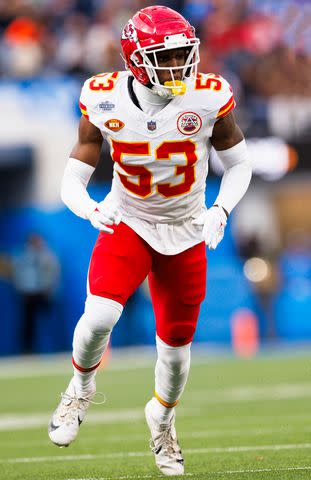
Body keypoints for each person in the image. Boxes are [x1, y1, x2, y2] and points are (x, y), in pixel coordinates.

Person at [48, 5, 252, 476]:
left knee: (176, 356)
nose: (182, 66)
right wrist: (91, 208)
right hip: (131, 220)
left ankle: (161, 419)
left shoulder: (209, 96)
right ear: (136, 59)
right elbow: (71, 178)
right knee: (99, 315)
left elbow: (238, 164)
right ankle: (79, 391)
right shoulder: (101, 97)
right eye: (169, 56)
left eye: (186, 54)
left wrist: (221, 208)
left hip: (186, 229)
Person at [11, 233, 60, 353]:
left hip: (44, 293)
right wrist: (21, 289)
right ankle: (28, 350)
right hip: (28, 294)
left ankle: (53, 348)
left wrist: (50, 289)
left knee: (48, 322)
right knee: (28, 324)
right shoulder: (22, 256)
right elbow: (17, 274)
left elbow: (54, 273)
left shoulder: (48, 255)